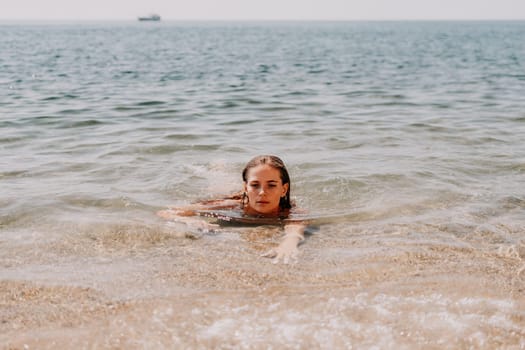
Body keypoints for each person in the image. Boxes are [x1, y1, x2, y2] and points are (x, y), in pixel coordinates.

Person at [157, 155, 306, 264]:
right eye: (255, 185)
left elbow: (295, 228)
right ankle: (218, 168)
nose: (262, 192)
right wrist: (190, 221)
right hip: (233, 199)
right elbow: (166, 212)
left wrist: (289, 243)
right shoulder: (231, 205)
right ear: (245, 188)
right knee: (218, 184)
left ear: (284, 189)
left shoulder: (291, 212)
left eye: (271, 185)